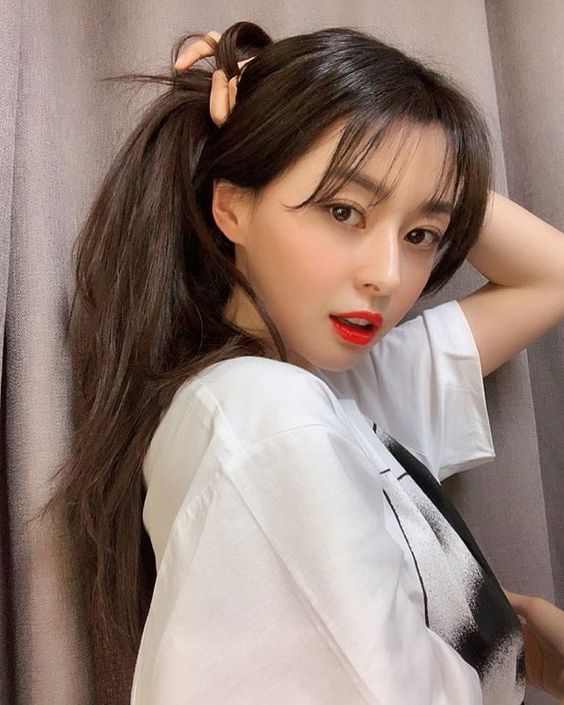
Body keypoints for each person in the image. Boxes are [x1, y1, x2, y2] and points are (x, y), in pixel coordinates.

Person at [40, 21, 564, 705]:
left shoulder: (342, 389)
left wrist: (397, 142)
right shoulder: (268, 416)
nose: (386, 275)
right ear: (231, 206)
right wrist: (293, 112)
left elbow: (550, 275)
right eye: (343, 211)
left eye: (420, 234)